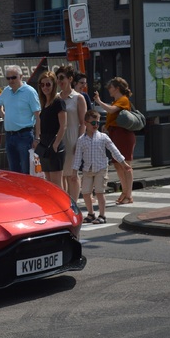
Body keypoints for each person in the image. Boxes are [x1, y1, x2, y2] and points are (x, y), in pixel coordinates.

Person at [72, 110, 132, 224]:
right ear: (86, 123)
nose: (96, 125)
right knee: (85, 192)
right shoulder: (81, 140)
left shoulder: (103, 137)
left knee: (100, 192)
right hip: (87, 170)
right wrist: (74, 172)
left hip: (101, 168)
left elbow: (114, 150)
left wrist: (123, 164)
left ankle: (102, 215)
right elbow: (78, 157)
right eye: (93, 123)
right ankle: (90, 214)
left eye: (98, 123)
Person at [93, 77, 136, 205]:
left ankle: (128, 195)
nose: (109, 90)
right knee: (118, 164)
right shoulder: (116, 101)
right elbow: (112, 116)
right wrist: (106, 126)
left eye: (110, 87)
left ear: (117, 88)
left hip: (124, 135)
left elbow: (111, 111)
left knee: (126, 165)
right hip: (115, 134)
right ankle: (125, 191)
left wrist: (99, 101)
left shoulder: (123, 100)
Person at [0, 65, 41, 174]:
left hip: (24, 136)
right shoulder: (6, 91)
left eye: (13, 77)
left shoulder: (30, 92)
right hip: (9, 136)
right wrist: (3, 115)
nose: (11, 80)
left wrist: (37, 138)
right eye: (8, 78)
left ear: (21, 76)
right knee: (13, 171)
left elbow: (38, 115)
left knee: (26, 171)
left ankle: (26, 191)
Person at [56, 65, 87, 202]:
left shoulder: (78, 98)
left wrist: (79, 142)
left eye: (62, 77)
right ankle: (65, 203)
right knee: (61, 174)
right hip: (59, 139)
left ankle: (74, 204)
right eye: (57, 78)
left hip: (73, 138)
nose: (59, 81)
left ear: (70, 79)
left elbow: (83, 122)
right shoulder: (56, 98)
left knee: (72, 175)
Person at [35, 71, 67, 187]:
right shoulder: (44, 103)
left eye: (48, 84)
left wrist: (56, 144)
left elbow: (63, 125)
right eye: (42, 85)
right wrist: (38, 139)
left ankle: (62, 205)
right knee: (49, 182)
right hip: (44, 144)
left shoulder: (59, 101)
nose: (45, 87)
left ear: (54, 85)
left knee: (57, 183)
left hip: (54, 143)